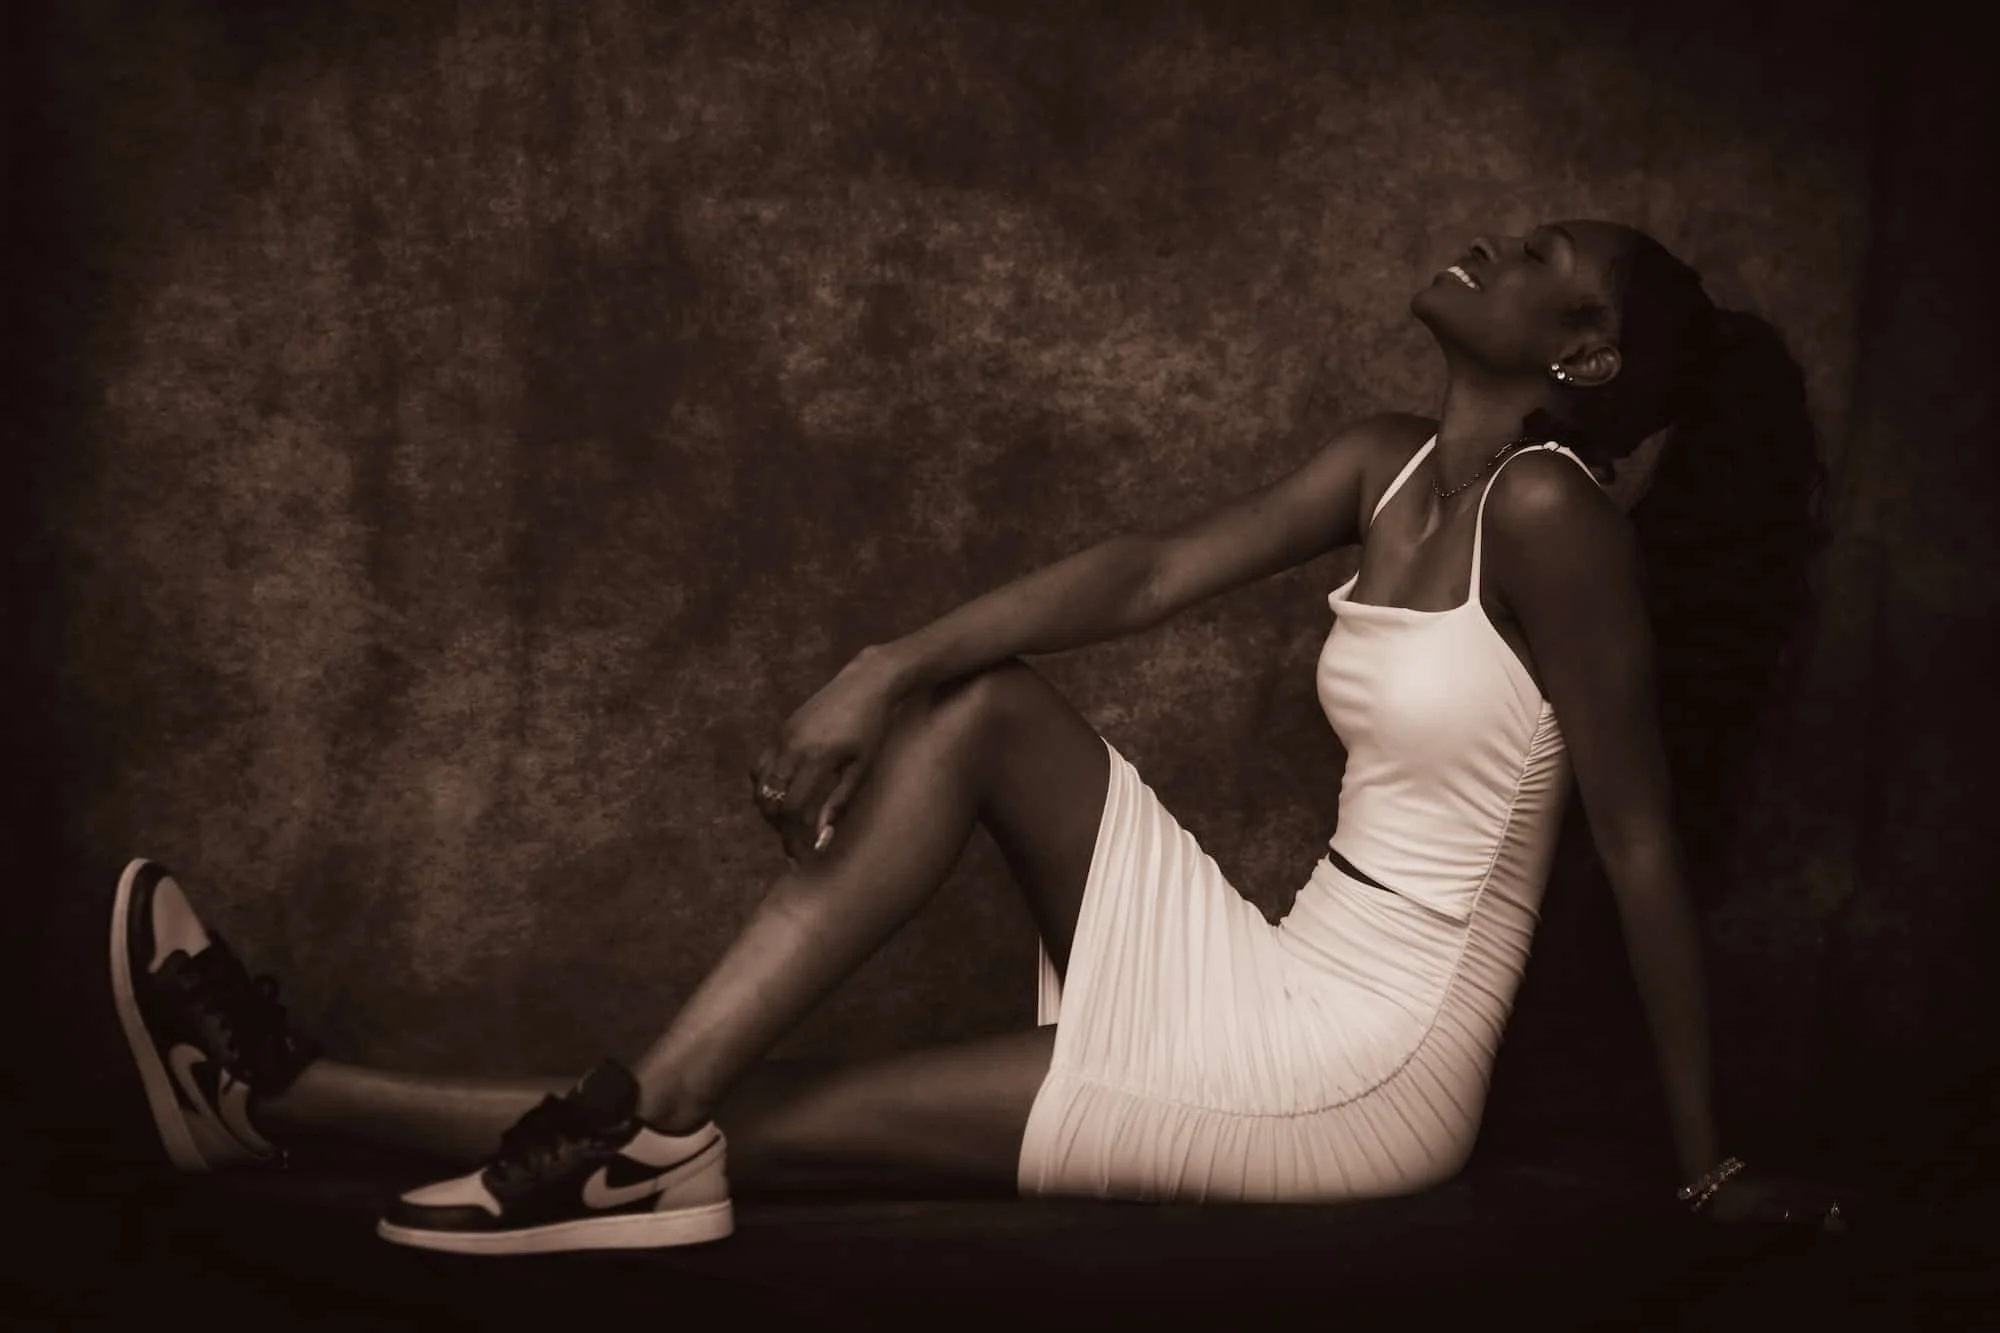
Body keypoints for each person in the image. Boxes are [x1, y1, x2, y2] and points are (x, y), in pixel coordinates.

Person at [109, 219, 1844, 1257]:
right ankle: (428, 1115)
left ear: (1588, 356)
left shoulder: (1552, 518)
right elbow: (1151, 569)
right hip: (1282, 962)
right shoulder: (1386, 459)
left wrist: (1705, 1170)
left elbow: (1635, 838)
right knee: (976, 711)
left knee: (785, 1115)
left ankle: (358, 1106)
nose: (1501, 241)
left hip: (1366, 1070)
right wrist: (883, 659)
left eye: (1548, 260)